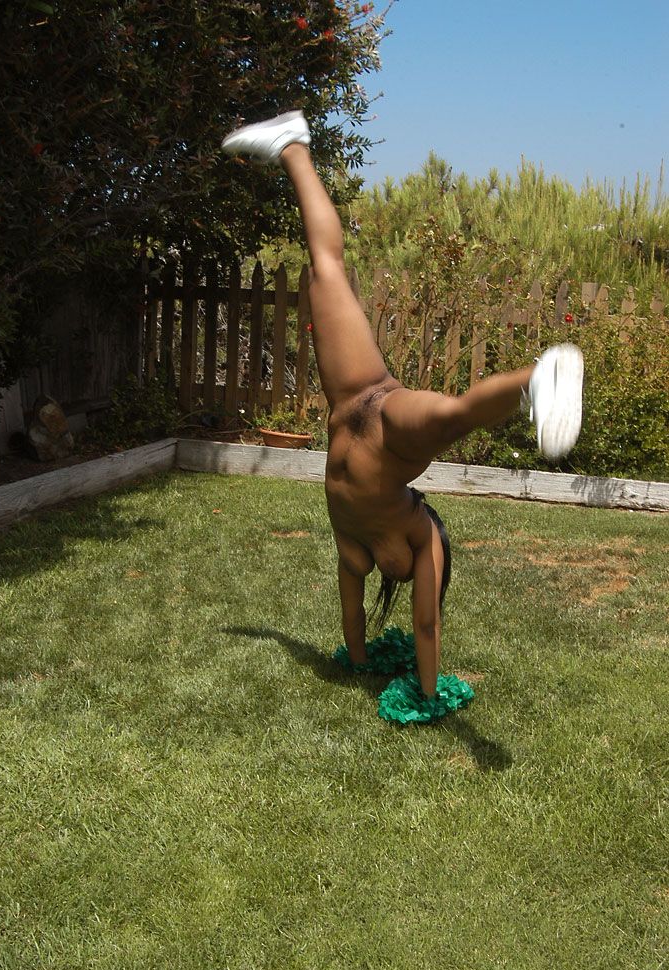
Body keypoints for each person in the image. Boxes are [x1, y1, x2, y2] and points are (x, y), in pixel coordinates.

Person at [222, 112, 584, 698]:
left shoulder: (356, 551)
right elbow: (427, 626)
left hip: (350, 401)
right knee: (452, 416)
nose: (406, 579)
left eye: (409, 581)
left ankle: (292, 147)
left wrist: (358, 661)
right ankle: (538, 380)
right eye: (417, 579)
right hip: (387, 422)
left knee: (324, 270)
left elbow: (355, 615)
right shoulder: (423, 535)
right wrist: (430, 691)